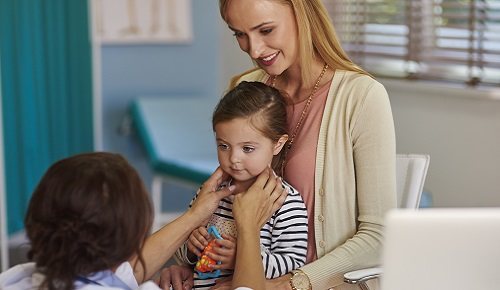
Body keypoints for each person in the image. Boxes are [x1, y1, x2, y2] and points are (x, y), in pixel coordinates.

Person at [215, 0, 397, 289]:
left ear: (301, 12)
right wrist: (192, 260)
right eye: (239, 34)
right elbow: (222, 202)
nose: (254, 50)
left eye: (266, 29)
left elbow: (379, 236)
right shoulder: (246, 89)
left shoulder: (362, 97)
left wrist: (288, 284)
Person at [0, 152, 286, 290]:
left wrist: (194, 216)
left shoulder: (18, 279)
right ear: (136, 234)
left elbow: (117, 275)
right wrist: (248, 226)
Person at [173, 81, 308, 289]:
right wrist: (191, 248)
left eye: (247, 148)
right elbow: (181, 253)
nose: (234, 158)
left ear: (277, 144)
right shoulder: (210, 194)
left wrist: (242, 257)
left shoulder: (285, 203)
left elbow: (293, 263)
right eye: (224, 146)